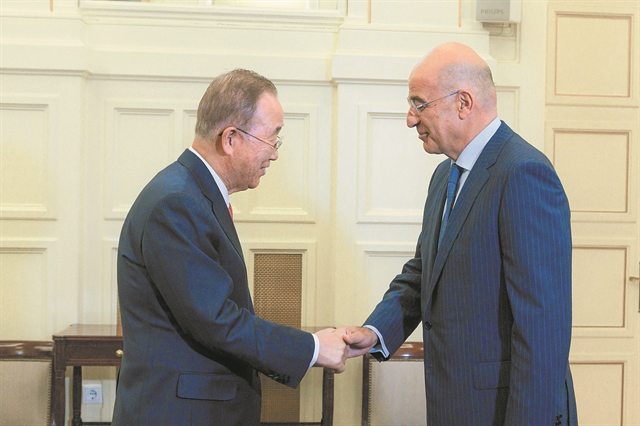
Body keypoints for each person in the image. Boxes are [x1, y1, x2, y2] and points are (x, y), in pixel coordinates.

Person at [343, 42, 578, 425]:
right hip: (455, 404)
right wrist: (375, 332)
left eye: (419, 104)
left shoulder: (523, 173)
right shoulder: (443, 176)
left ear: (463, 103)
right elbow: (424, 274)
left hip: (507, 411)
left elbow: (543, 327)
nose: (410, 118)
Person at [112, 69, 348, 426]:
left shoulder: (190, 193)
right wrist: (313, 348)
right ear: (231, 139)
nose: (275, 155)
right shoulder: (176, 202)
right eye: (272, 139)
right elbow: (216, 321)